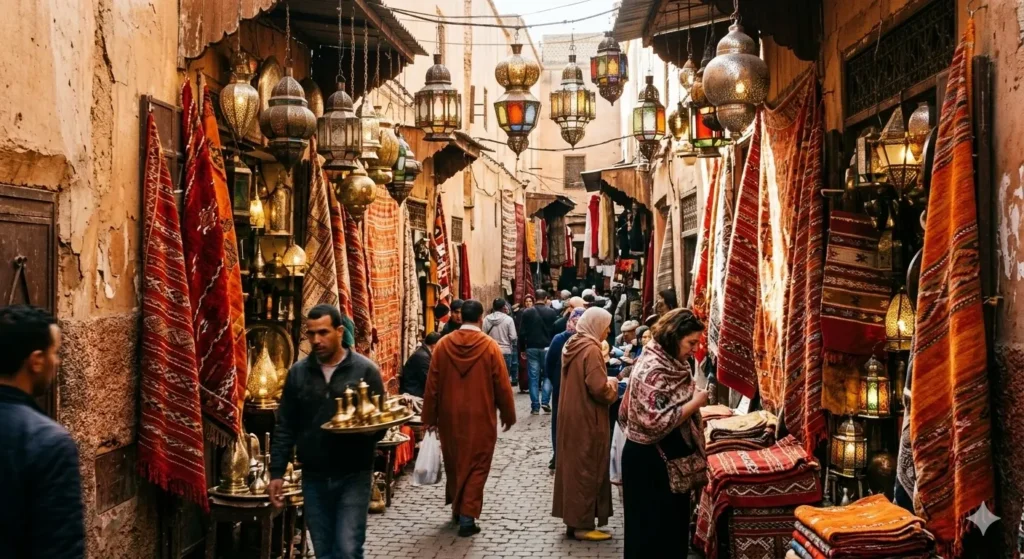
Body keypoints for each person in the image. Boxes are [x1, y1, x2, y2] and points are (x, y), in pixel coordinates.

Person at [270, 304, 386, 559]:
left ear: (339, 331)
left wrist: (367, 431)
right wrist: (277, 472)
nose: (316, 340)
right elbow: (285, 425)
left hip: (353, 474)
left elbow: (380, 423)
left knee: (347, 549)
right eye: (311, 334)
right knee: (325, 551)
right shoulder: (299, 373)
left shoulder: (364, 371)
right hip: (314, 475)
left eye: (323, 332)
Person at [618, 309, 709, 558]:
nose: (695, 349)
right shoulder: (653, 369)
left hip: (667, 466)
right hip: (650, 466)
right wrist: (696, 402)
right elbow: (655, 420)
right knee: (651, 538)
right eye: (691, 342)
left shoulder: (673, 364)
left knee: (670, 536)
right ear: (673, 336)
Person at [422, 300, 517, 537]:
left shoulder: (443, 345)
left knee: (455, 461)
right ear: (479, 318)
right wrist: (508, 413)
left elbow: (432, 385)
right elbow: (502, 385)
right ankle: (467, 516)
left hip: (450, 416)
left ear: (460, 316)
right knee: (477, 464)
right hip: (481, 417)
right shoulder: (490, 346)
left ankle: (457, 507)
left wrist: (429, 417)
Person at [0, 306, 84, 559]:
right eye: (54, 353)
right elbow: (60, 548)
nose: (56, 362)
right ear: (36, 361)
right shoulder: (48, 443)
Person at [552, 307, 619, 542]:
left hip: (572, 415)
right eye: (606, 325)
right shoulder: (590, 349)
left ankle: (575, 521)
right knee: (588, 467)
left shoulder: (572, 344)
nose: (608, 330)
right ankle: (582, 525)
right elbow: (598, 388)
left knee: (575, 466)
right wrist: (613, 384)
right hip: (587, 417)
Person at [545, 307, 586, 471]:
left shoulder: (559, 339)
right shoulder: (587, 340)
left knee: (558, 420)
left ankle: (558, 454)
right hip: (579, 387)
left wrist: (555, 381)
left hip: (560, 386)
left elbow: (549, 364)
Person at [520, 289, 558, 414]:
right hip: (548, 347)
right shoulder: (552, 312)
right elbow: (555, 331)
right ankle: (545, 402)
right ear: (546, 298)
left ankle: (535, 406)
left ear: (535, 298)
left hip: (531, 347)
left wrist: (521, 348)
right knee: (548, 375)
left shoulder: (527, 312)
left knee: (533, 377)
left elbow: (522, 332)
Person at [483, 298, 518, 386]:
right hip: (505, 351)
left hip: (490, 351)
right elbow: (513, 337)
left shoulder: (486, 319)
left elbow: (483, 335)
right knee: (504, 378)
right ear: (504, 307)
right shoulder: (508, 319)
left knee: (491, 378)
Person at [400, 332, 440, 398]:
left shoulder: (423, 353)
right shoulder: (422, 356)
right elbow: (429, 380)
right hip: (414, 392)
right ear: (434, 345)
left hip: (417, 389)